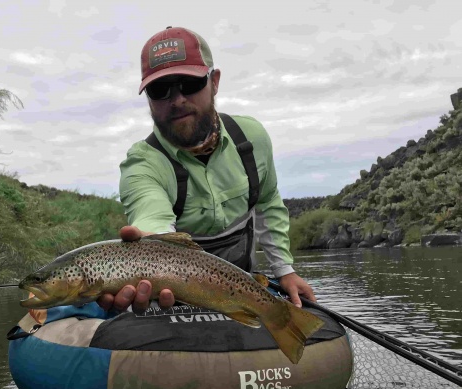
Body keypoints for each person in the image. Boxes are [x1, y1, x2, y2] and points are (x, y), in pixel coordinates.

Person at [97, 26, 316, 314]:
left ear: (214, 82)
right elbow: (152, 223)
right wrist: (147, 246)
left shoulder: (252, 139)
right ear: (148, 98)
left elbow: (268, 204)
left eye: (189, 83)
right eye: (160, 89)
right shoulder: (142, 163)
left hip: (241, 287)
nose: (176, 100)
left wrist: (285, 271)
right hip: (170, 298)